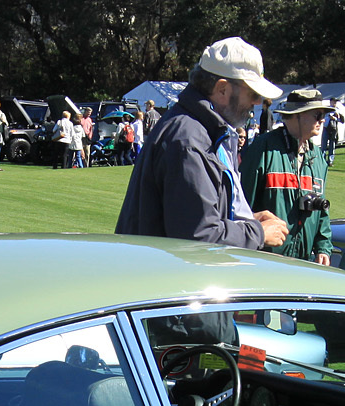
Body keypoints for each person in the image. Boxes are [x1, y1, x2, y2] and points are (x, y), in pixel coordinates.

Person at [114, 36, 288, 249]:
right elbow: (198, 235)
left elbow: (194, 219)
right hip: (164, 276)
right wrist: (257, 233)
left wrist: (246, 220)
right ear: (222, 89)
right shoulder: (189, 138)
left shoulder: (201, 130)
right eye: (252, 93)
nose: (258, 102)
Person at [240, 88, 336, 264]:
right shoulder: (264, 149)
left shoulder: (318, 157)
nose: (322, 120)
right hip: (264, 260)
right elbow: (242, 205)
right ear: (297, 115)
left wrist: (323, 247)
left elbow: (322, 210)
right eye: (317, 114)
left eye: (323, 115)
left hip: (303, 262)